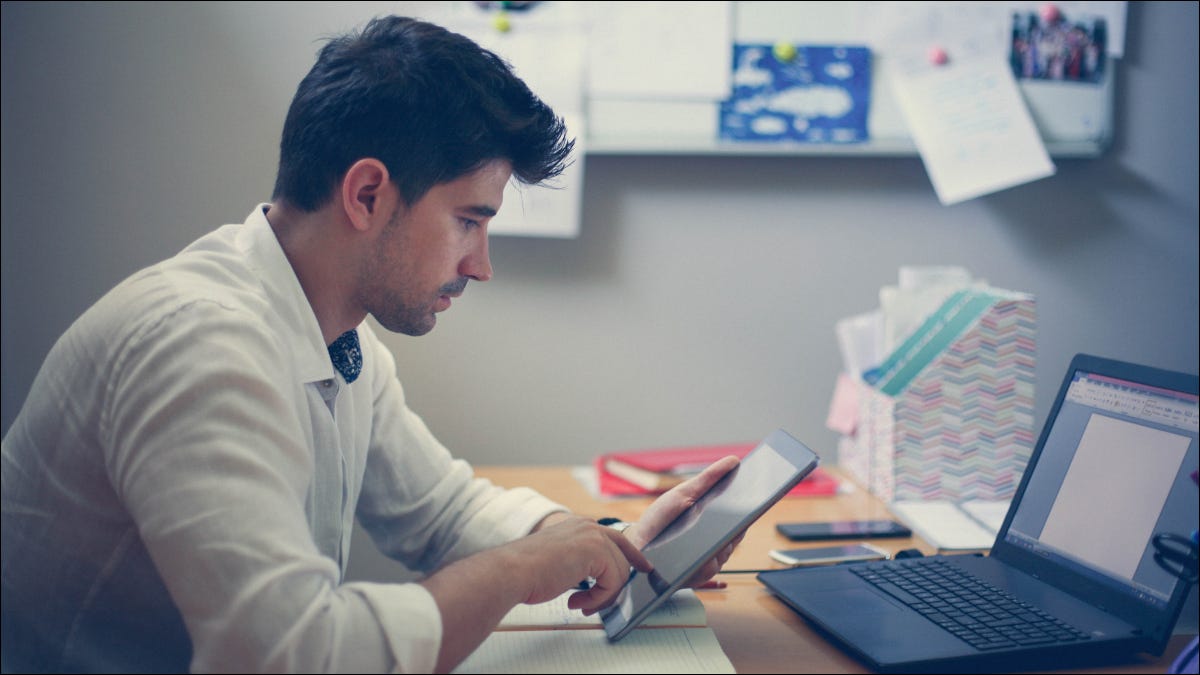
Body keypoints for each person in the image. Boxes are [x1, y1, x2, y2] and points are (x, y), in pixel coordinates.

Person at [0, 15, 741, 674]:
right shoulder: (199, 349)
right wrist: (521, 567)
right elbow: (293, 655)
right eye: (468, 221)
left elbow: (441, 511)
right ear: (365, 194)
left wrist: (609, 546)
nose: (481, 264)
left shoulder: (334, 338)